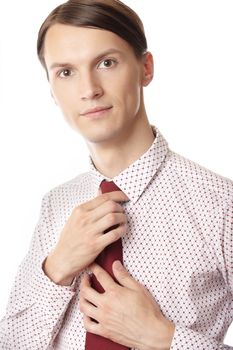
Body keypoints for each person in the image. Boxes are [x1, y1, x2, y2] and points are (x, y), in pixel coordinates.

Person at [0, 0, 232, 349]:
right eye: (66, 72)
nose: (89, 89)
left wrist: (163, 339)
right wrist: (57, 268)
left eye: (106, 63)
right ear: (51, 89)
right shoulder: (55, 206)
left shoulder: (221, 205)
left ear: (145, 68)